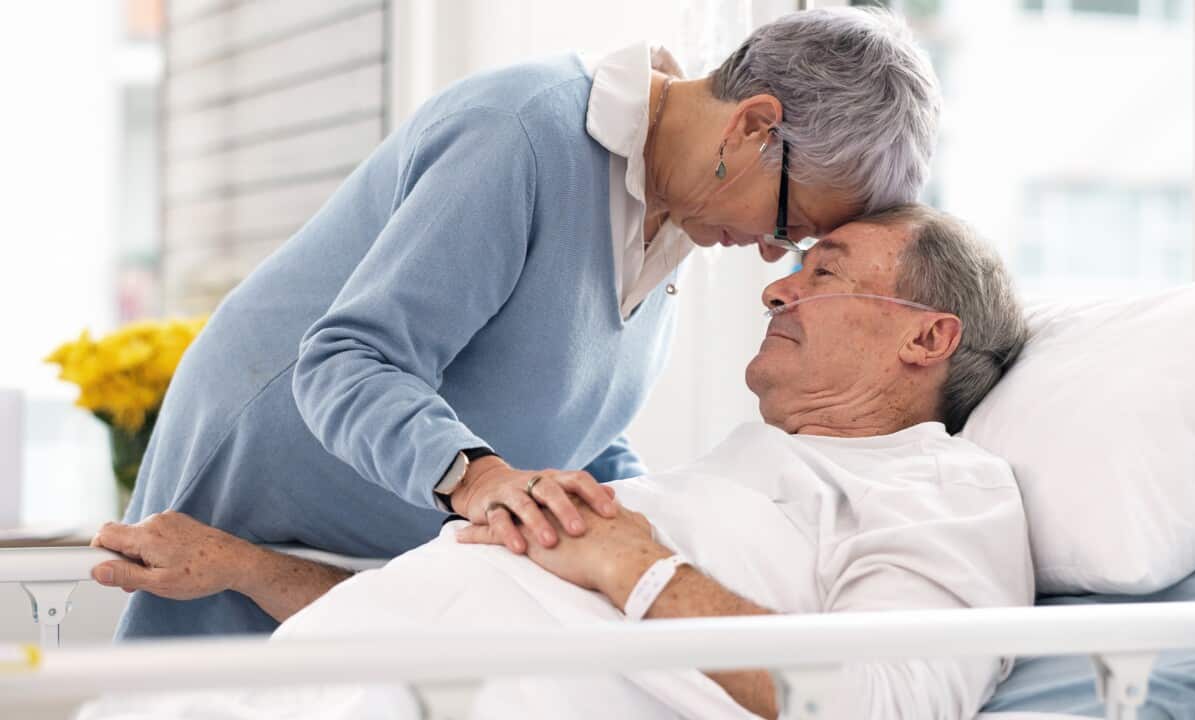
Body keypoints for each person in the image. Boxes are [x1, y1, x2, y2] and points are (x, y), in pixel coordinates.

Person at [112, 7, 942, 640]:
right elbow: (345, 361)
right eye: (788, 226)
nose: (769, 256)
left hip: (389, 554)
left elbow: (560, 410)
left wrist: (638, 511)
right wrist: (479, 481)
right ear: (753, 126)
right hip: (260, 506)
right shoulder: (523, 135)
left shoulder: (677, 217)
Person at [93, 206, 1033, 719]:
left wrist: (637, 566)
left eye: (823, 272)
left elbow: (886, 702)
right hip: (324, 681)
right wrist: (245, 568)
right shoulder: (717, 479)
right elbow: (475, 608)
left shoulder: (944, 491)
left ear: (928, 337)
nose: (777, 290)